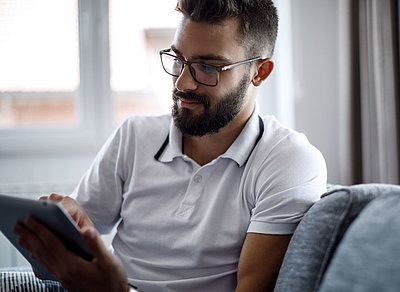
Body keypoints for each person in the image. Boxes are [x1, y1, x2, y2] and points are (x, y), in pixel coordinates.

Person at [14, 0, 327, 291]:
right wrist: (55, 235)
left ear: (260, 72)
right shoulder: (134, 136)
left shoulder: (288, 161)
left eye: (208, 68)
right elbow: (59, 262)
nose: (182, 83)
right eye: (178, 60)